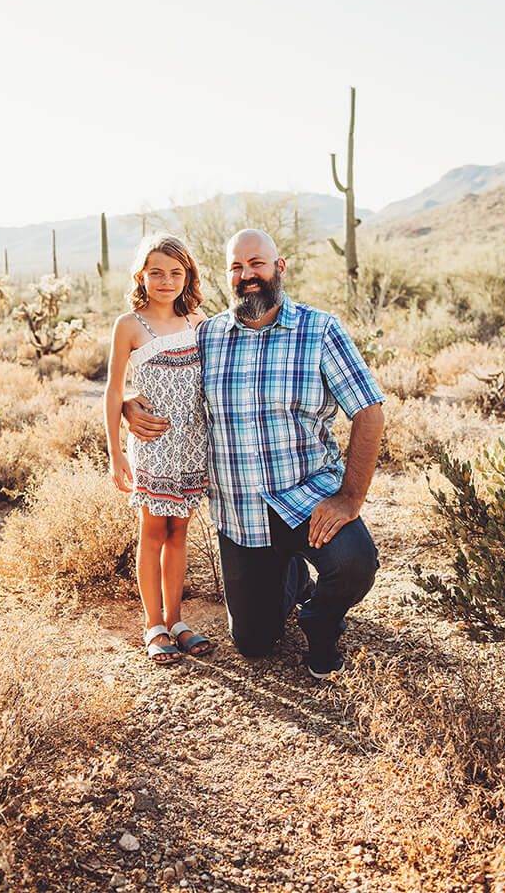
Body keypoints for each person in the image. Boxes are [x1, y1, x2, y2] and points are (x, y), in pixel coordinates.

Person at [125, 228, 385, 679]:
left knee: (353, 563)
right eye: (236, 267)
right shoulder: (204, 336)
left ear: (279, 268)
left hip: (307, 496)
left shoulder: (320, 330)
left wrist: (348, 498)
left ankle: (320, 623)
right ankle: (294, 580)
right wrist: (130, 404)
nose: (247, 275)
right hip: (242, 513)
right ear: (228, 276)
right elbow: (157, 372)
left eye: (257, 264)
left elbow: (370, 412)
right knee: (254, 643)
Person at [103, 234, 213, 664]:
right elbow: (113, 392)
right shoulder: (129, 325)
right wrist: (116, 453)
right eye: (156, 272)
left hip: (190, 443)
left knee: (179, 532)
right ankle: (154, 625)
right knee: (153, 532)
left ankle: (177, 620)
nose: (166, 281)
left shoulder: (197, 321)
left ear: (188, 277)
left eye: (175, 273)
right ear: (141, 276)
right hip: (152, 444)